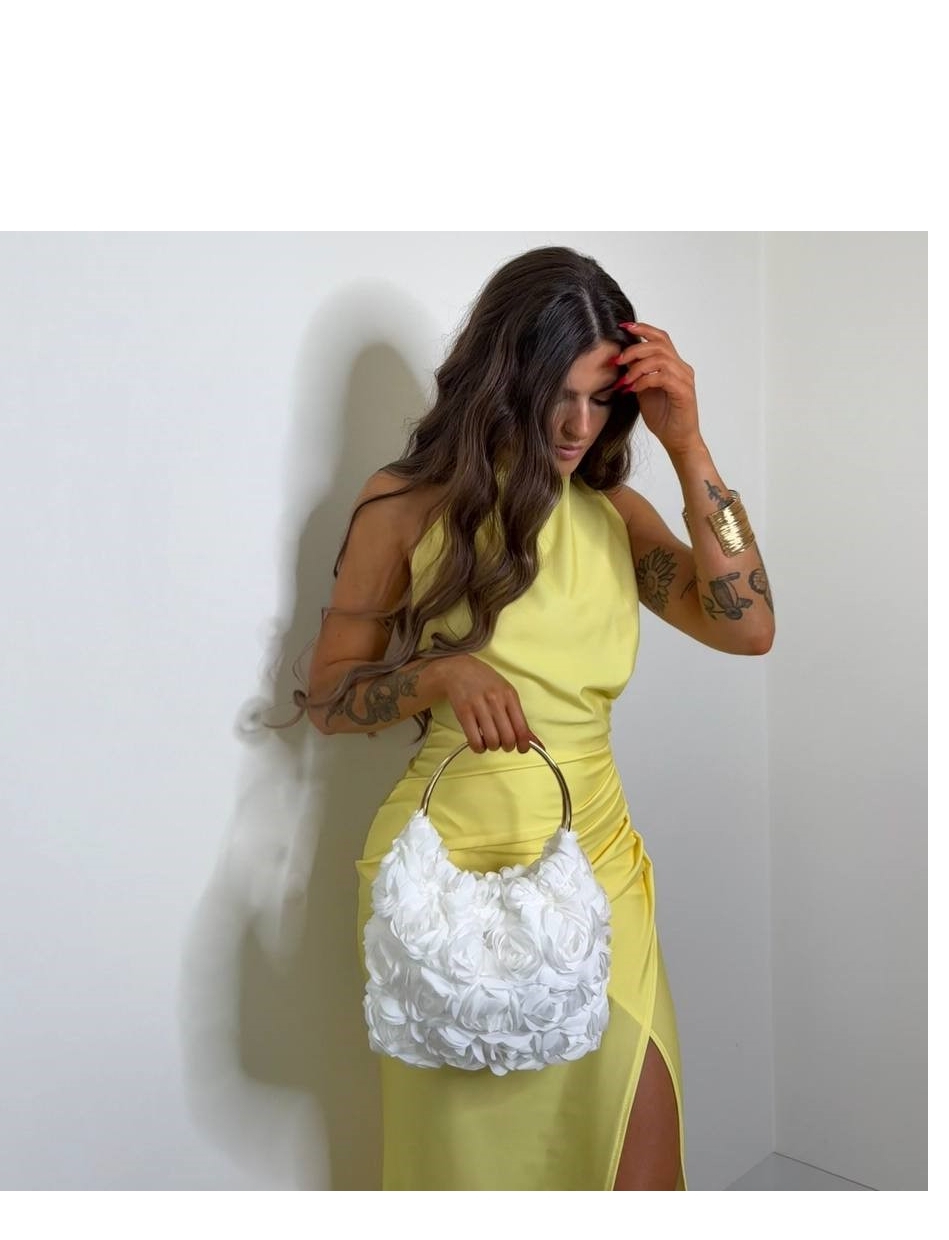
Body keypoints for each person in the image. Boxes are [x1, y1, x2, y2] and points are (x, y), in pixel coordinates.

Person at [255, 245, 775, 1190]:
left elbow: (749, 629)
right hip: (446, 892)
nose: (579, 425)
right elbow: (328, 700)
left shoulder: (614, 515)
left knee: (641, 1175)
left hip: (597, 866)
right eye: (557, 396)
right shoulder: (404, 507)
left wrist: (688, 446)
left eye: (601, 398)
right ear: (505, 380)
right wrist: (439, 675)